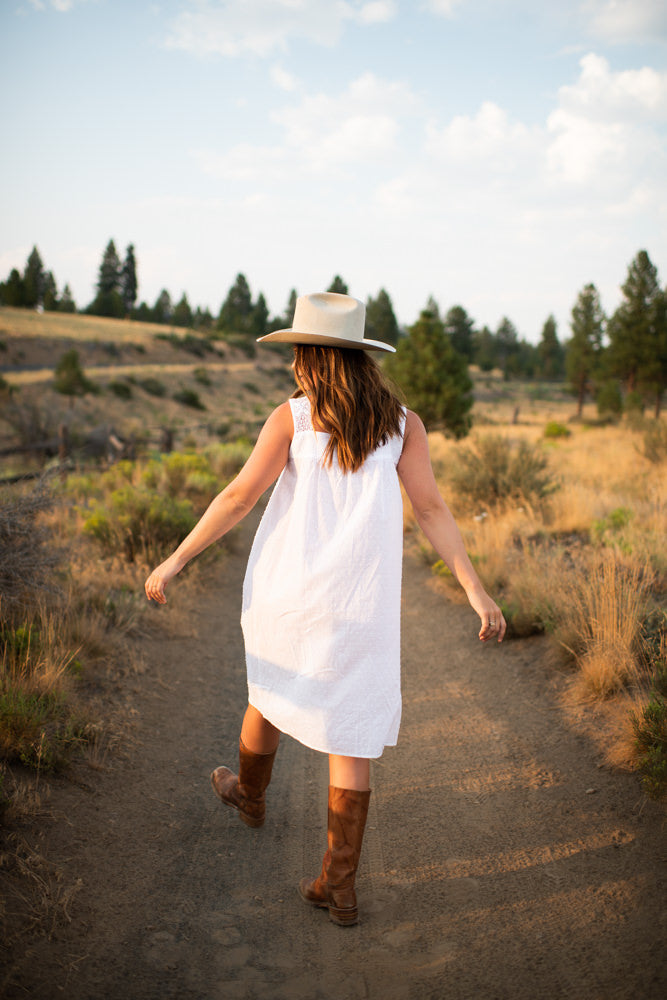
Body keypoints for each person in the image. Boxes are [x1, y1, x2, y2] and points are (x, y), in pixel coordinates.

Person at [145, 292, 505, 927]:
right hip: (360, 605)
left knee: (270, 695)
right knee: (352, 735)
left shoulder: (292, 419)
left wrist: (175, 560)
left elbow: (237, 497)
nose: (292, 368)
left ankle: (250, 795)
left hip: (290, 594)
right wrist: (474, 587)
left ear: (313, 358)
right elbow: (432, 510)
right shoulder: (403, 424)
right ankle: (339, 888)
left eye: (297, 356)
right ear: (361, 358)